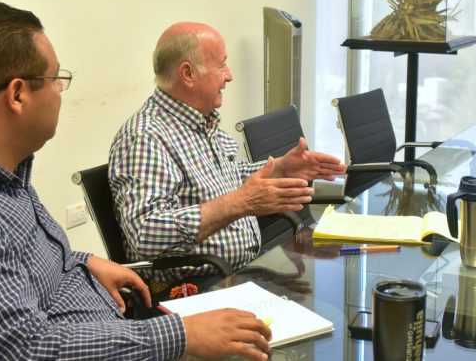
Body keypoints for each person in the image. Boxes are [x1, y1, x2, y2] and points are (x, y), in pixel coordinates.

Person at [0, 3, 272, 360]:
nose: (60, 89)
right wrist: (180, 335)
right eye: (55, 78)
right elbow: (26, 349)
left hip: (114, 329)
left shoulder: (2, 171)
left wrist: (81, 260)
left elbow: (22, 266)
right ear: (18, 95)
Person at [108, 22, 346, 287]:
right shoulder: (145, 137)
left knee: (327, 285)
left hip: (243, 272)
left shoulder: (201, 122)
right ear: (188, 73)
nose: (229, 75)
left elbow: (227, 177)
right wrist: (239, 203)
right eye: (221, 66)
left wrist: (280, 169)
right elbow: (145, 233)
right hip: (198, 287)